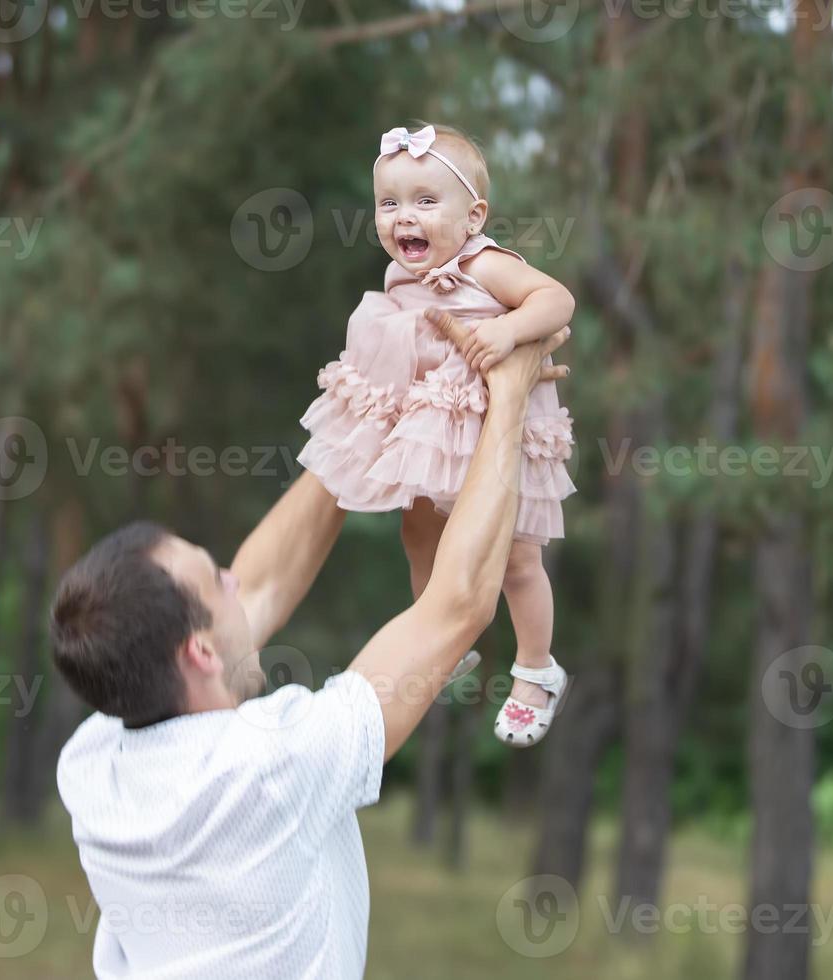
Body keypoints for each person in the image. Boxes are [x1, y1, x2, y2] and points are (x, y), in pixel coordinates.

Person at [51, 311, 569, 978]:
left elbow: (260, 586)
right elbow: (458, 605)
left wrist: (374, 395)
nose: (235, 576)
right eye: (216, 579)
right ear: (200, 654)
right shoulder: (268, 769)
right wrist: (509, 394)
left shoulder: (94, 762)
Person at [297, 123, 576, 746]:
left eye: (426, 201)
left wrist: (509, 332)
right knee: (418, 529)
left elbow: (556, 300)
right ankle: (439, 637)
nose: (404, 218)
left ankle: (536, 668)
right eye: (390, 203)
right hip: (438, 432)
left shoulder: (485, 264)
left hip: (499, 429)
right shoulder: (400, 278)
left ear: (473, 216)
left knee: (517, 559)